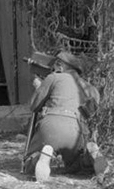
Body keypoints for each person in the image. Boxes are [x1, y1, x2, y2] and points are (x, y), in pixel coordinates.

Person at [23, 49, 99, 181]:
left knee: (29, 164)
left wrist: (38, 86)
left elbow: (34, 106)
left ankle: (42, 156)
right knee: (76, 167)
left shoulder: (53, 78)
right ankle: (89, 157)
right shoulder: (89, 88)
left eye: (54, 66)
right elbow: (92, 112)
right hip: (75, 132)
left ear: (60, 65)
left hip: (51, 127)